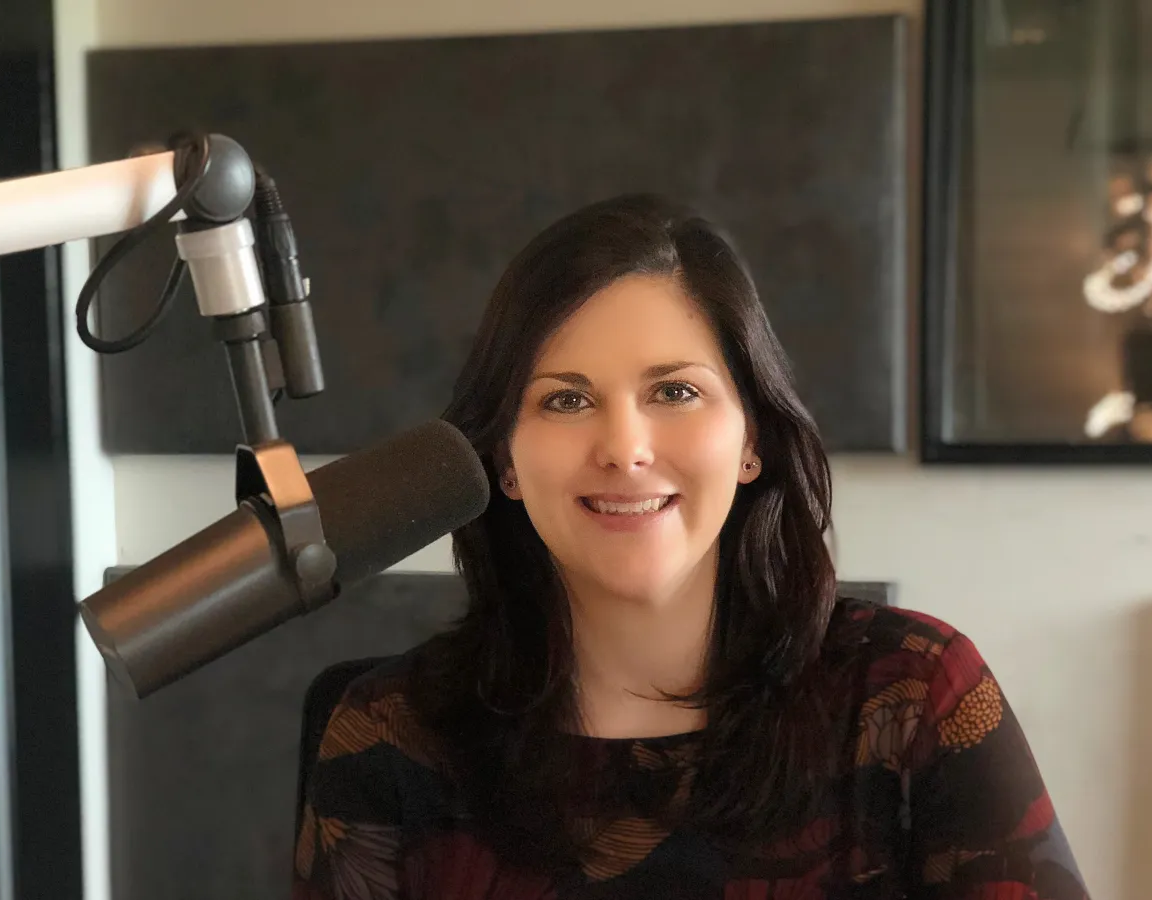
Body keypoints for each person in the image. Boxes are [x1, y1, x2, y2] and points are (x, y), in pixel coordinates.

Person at [293, 195, 1090, 899]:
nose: (625, 447)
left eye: (675, 392)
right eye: (566, 400)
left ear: (752, 439)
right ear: (503, 459)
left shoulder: (911, 695)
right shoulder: (390, 732)